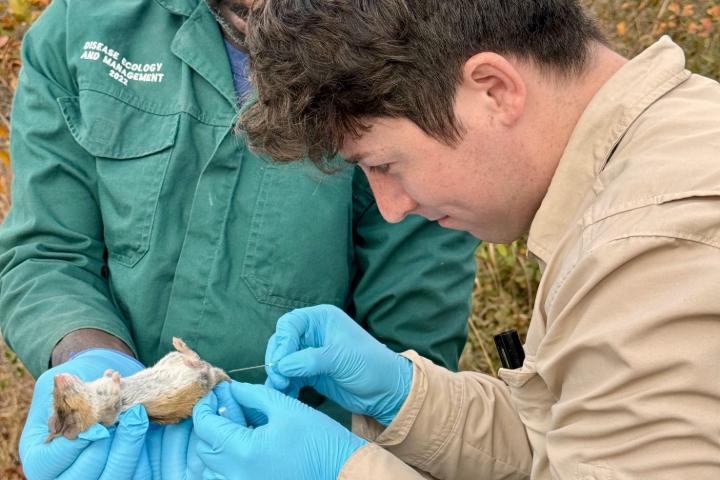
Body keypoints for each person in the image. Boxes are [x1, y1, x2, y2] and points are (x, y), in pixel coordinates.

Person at [189, 0, 720, 479]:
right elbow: (572, 443)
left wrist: (346, 470)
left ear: (493, 89)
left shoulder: (655, 245)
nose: (393, 209)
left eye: (386, 164)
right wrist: (405, 398)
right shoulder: (647, 167)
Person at [0, 0, 479, 478]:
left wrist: (331, 458)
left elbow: (410, 356)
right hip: (114, 454)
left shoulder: (413, 42)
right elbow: (45, 253)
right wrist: (90, 360)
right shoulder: (79, 28)